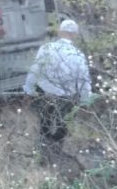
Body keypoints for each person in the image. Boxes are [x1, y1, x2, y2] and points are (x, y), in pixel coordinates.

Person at [23, 19, 92, 153]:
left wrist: (29, 90)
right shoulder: (78, 55)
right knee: (63, 124)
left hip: (46, 93)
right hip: (67, 96)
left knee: (45, 122)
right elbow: (84, 79)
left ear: (60, 32)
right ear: (75, 35)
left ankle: (44, 149)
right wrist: (86, 100)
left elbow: (35, 70)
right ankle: (57, 151)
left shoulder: (46, 48)